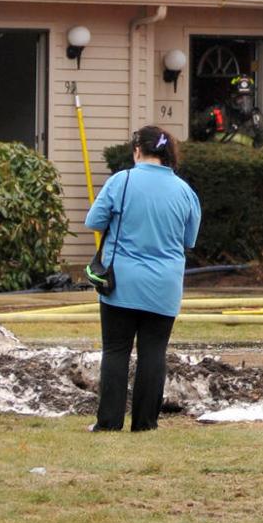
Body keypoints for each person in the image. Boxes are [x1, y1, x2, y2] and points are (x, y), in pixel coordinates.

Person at [85, 124, 201, 433]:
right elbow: (189, 239)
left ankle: (108, 422)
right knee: (153, 352)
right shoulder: (185, 191)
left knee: (115, 350)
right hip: (164, 286)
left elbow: (93, 221)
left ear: (137, 150)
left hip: (120, 282)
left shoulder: (120, 181)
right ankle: (146, 423)